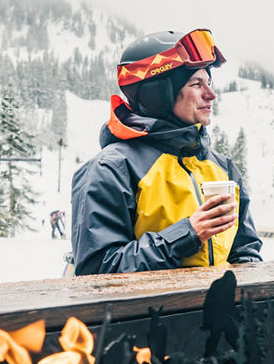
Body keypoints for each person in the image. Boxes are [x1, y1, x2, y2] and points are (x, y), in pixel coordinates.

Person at [71, 29, 262, 275]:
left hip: (217, 311)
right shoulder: (112, 169)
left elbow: (245, 252)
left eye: (209, 83)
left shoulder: (222, 168)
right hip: (147, 313)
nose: (211, 95)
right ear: (158, 94)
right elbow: (98, 271)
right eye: (196, 83)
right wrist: (187, 234)